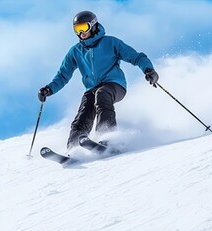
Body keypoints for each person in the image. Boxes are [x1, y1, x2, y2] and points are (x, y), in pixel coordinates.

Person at [38, 11, 159, 149]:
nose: (81, 32)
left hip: (114, 85)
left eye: (84, 27)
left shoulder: (110, 42)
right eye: (77, 29)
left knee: (102, 95)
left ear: (93, 26)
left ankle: (107, 137)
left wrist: (149, 70)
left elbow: (136, 57)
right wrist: (49, 89)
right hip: (92, 89)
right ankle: (74, 147)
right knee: (85, 109)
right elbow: (63, 75)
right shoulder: (75, 51)